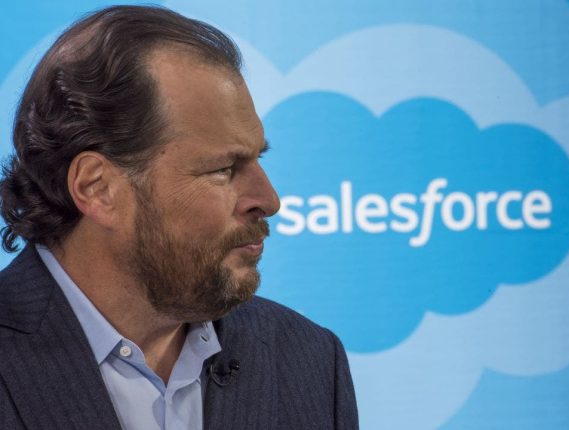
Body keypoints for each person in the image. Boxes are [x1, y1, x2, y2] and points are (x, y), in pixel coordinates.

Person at [0, 5, 357, 430]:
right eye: (223, 169)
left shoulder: (309, 361)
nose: (269, 200)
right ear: (97, 187)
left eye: (258, 159)